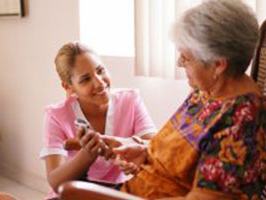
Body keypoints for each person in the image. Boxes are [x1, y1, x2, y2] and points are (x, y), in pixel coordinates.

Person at [105, 0, 266, 199]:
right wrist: (145, 151)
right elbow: (186, 156)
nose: (179, 63)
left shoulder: (240, 122)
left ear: (218, 65)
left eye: (186, 57)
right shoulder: (209, 89)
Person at [39, 42, 157, 199]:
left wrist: (131, 150)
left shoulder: (131, 100)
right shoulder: (56, 115)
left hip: (114, 193)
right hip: (73, 194)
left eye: (100, 71)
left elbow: (155, 147)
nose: (99, 82)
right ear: (69, 86)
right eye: (85, 79)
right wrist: (87, 154)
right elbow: (55, 181)